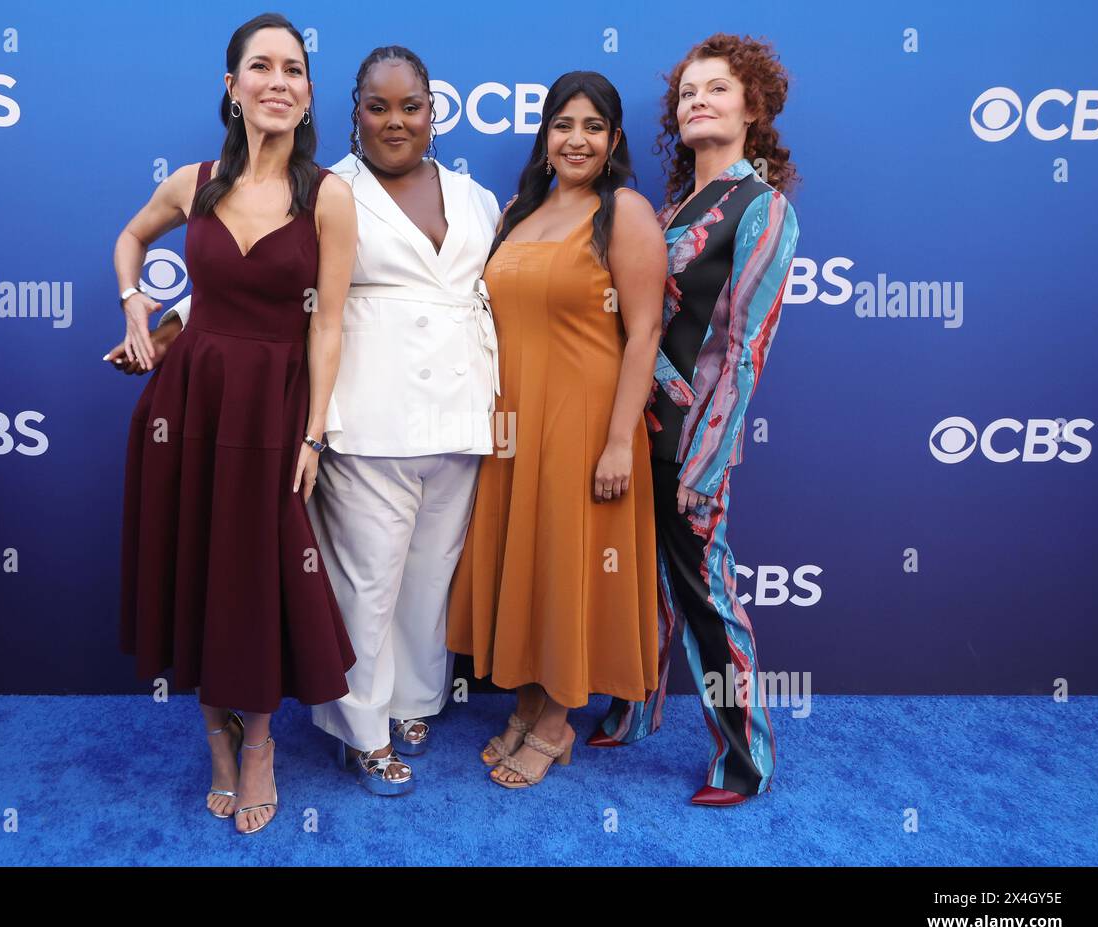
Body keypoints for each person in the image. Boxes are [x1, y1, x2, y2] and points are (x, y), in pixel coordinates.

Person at [150, 47, 503, 795]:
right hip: (366, 412)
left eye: (411, 106)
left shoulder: (478, 198)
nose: (396, 121)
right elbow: (259, 287)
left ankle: (412, 701)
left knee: (427, 578)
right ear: (352, 114)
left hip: (461, 414)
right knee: (364, 580)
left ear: (435, 111)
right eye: (378, 107)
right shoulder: (322, 187)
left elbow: (494, 295)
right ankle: (360, 731)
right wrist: (172, 324)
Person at [109, 13, 358, 835]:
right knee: (200, 564)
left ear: (309, 93)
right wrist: (136, 303)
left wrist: (314, 434)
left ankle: (258, 745)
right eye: (261, 66)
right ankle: (215, 736)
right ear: (233, 86)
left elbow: (327, 324)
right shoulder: (194, 182)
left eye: (293, 69)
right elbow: (130, 238)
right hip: (188, 406)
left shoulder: (330, 196)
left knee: (254, 573)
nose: (277, 81)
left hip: (276, 409)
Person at [586, 33, 801, 807]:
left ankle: (744, 758)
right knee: (642, 586)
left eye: (717, 88)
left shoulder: (763, 207)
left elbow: (745, 349)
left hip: (691, 438)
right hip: (631, 428)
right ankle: (635, 708)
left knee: (708, 595)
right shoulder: (671, 207)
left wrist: (709, 459)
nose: (698, 100)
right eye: (687, 93)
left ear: (755, 106)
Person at [446, 71, 665, 789]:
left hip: (585, 425)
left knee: (573, 562)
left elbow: (644, 334)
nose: (576, 140)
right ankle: (528, 700)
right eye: (563, 125)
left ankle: (556, 720)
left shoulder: (625, 211)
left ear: (614, 141)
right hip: (514, 425)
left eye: (593, 127)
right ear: (545, 137)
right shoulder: (519, 211)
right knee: (531, 560)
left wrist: (615, 441)